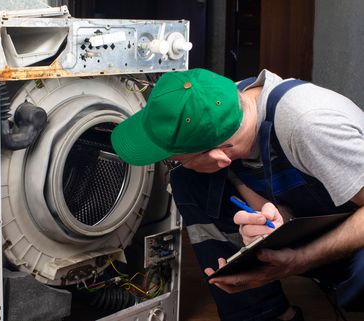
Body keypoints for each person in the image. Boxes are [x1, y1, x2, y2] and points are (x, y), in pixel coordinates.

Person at [111, 68, 364, 321]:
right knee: (188, 180)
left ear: (218, 157)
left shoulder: (309, 126)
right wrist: (276, 225)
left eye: (175, 160)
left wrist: (301, 259)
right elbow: (250, 179)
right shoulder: (220, 104)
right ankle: (266, 315)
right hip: (324, 215)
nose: (173, 164)